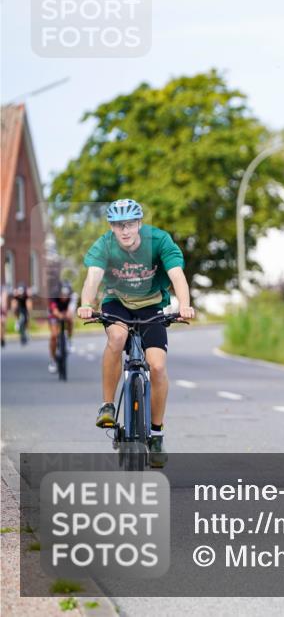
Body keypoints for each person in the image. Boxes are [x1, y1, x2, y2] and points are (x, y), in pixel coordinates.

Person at [77, 199, 196, 467]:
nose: (125, 231)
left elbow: (177, 275)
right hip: (117, 303)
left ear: (139, 224)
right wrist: (86, 304)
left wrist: (185, 305)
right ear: (112, 227)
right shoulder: (105, 244)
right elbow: (93, 277)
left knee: (157, 366)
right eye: (119, 226)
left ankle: (156, 433)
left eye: (130, 224)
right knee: (117, 338)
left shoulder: (159, 240)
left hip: (152, 305)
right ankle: (107, 405)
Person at [47, 282, 78, 372]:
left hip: (65, 311)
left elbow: (71, 309)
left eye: (66, 295)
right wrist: (59, 315)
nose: (64, 297)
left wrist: (68, 315)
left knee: (70, 320)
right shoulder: (53, 296)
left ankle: (69, 340)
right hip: (54, 313)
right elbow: (54, 310)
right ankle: (53, 361)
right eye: (62, 295)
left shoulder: (73, 296)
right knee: (54, 335)